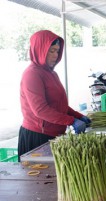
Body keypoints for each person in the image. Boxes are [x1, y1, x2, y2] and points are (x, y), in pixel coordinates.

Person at [18, 30, 91, 161]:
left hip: (54, 134)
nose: (55, 56)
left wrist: (78, 116)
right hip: (38, 136)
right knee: (39, 179)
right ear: (39, 50)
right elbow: (41, 110)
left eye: (57, 51)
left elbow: (60, 105)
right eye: (51, 51)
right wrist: (71, 121)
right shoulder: (32, 74)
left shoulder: (52, 74)